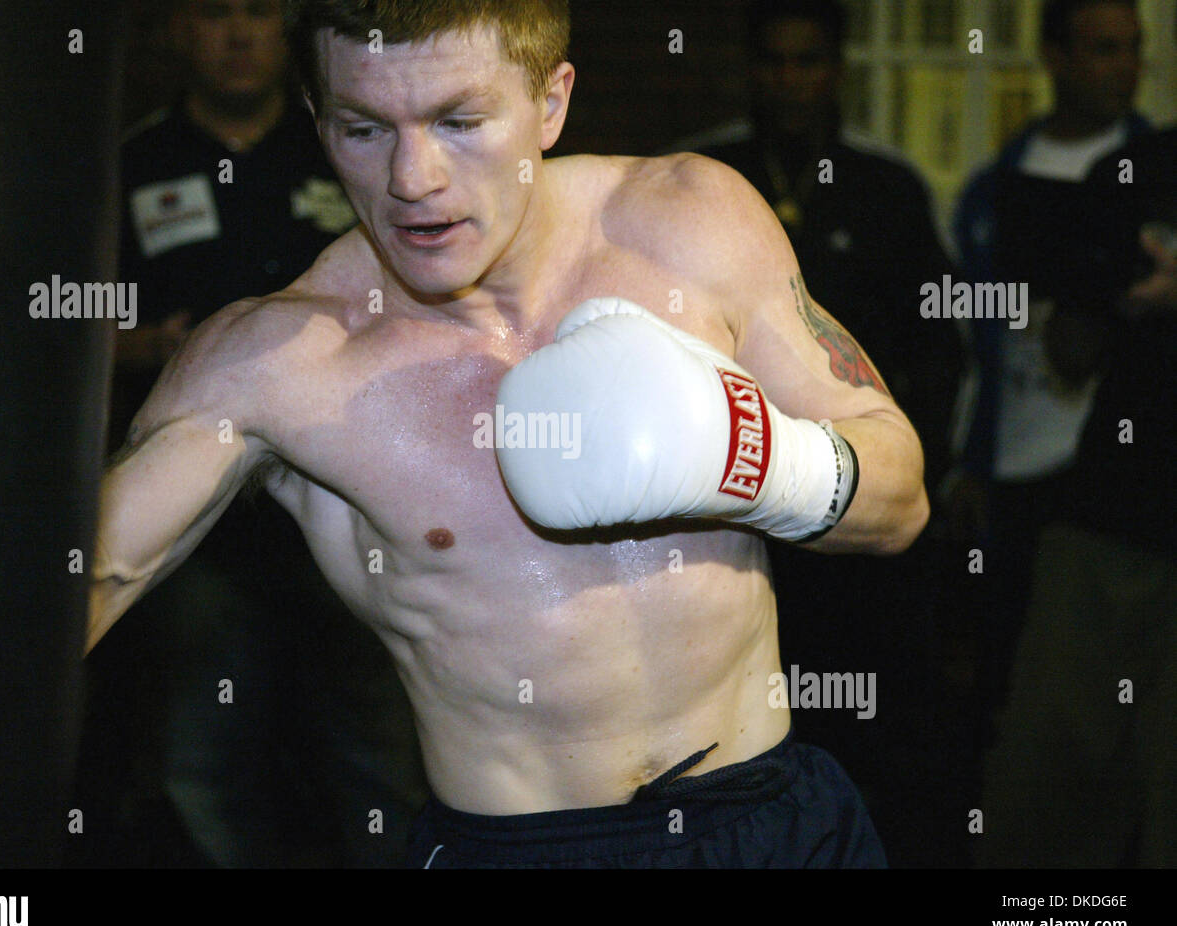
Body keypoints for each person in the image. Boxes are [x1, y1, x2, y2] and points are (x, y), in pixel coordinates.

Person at [88, 0, 929, 869]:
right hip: (520, 848)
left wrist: (759, 459)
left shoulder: (690, 222)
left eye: (460, 121)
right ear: (318, 121)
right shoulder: (276, 363)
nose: (413, 177)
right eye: (364, 129)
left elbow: (901, 498)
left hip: (777, 822)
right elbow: (64, 595)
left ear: (551, 102)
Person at [81, 0, 425, 868]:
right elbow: (57, 321)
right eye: (213, 13)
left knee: (381, 751)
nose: (238, 34)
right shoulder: (129, 163)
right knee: (197, 761)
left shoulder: (352, 149)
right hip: (198, 524)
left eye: (259, 12)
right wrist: (151, 344)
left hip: (353, 506)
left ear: (291, 30)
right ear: (175, 31)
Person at [677, 0, 965, 864]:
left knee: (885, 733)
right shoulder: (704, 183)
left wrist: (928, 475)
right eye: (776, 62)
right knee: (749, 738)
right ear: (752, 70)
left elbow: (938, 350)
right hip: (736, 521)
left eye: (810, 62)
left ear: (837, 70)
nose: (792, 80)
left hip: (860, 519)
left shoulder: (887, 189)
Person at [945, 0, 1149, 744]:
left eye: (1134, 48)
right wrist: (968, 462)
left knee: (1111, 701)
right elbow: (973, 343)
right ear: (1056, 59)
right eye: (1103, 48)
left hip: (1120, 480)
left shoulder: (1155, 176)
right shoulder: (992, 189)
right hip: (1014, 468)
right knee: (1010, 687)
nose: (1125, 66)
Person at [976, 119, 1177, 867]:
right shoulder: (1136, 172)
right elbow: (1071, 351)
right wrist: (1089, 287)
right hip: (1110, 524)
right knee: (1046, 800)